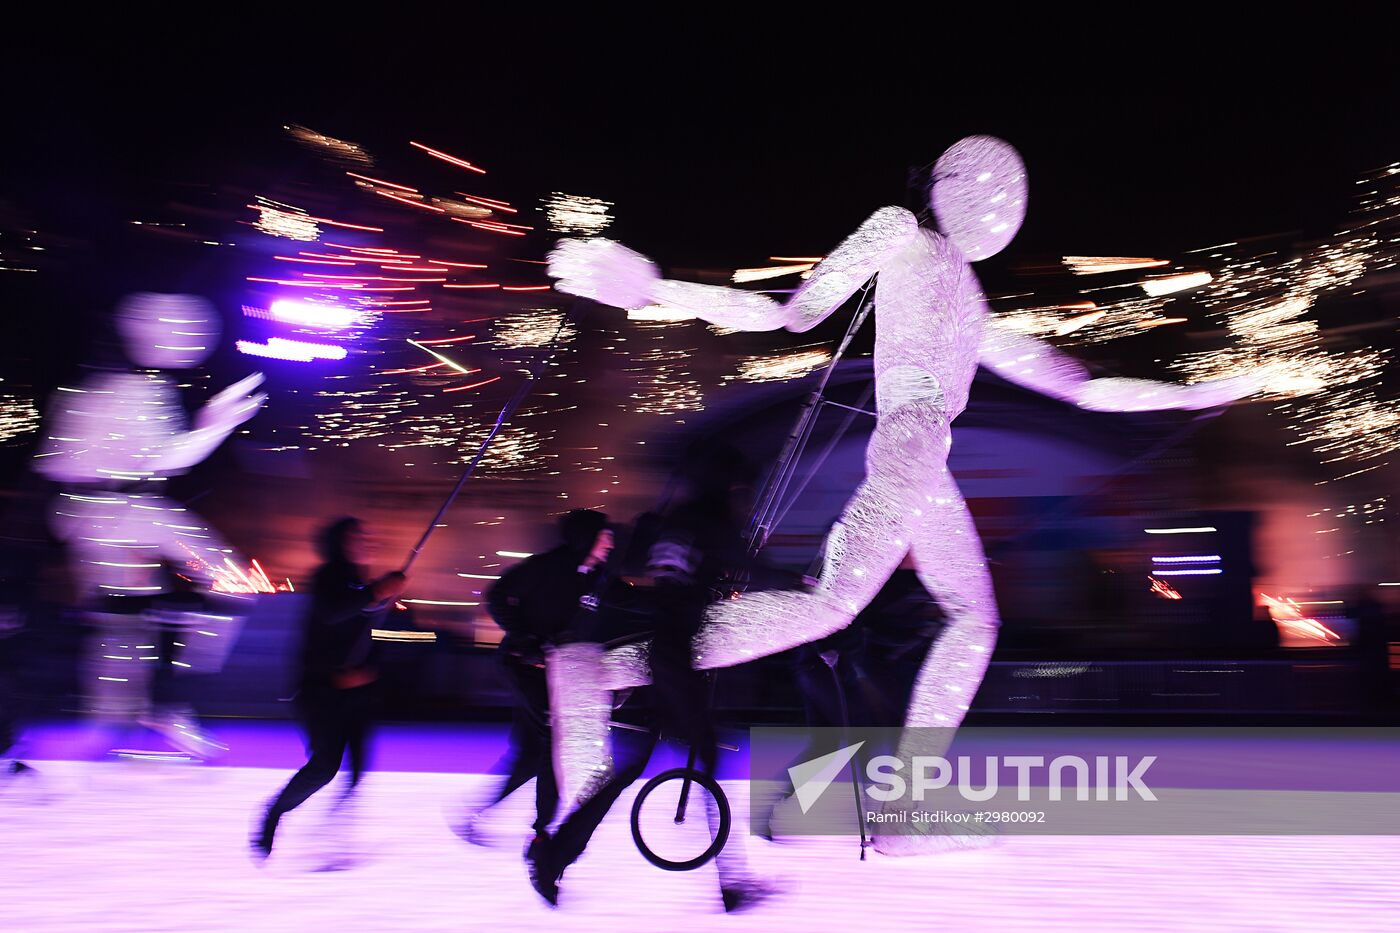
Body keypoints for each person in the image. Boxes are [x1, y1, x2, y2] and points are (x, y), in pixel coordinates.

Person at [529, 445, 771, 912]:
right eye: (739, 486)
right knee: (705, 755)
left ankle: (555, 856)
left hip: (657, 652)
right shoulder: (714, 522)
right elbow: (754, 568)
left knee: (635, 765)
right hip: (676, 657)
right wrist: (799, 582)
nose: (742, 494)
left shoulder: (675, 520)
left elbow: (638, 566)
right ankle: (730, 881)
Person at [457, 509, 617, 855]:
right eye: (605, 535)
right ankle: (542, 832)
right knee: (553, 740)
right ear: (586, 538)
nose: (611, 542)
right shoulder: (545, 567)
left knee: (530, 755)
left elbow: (629, 601)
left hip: (551, 671)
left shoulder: (597, 577)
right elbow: (497, 595)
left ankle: (475, 814)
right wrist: (526, 639)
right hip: (521, 665)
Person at [252, 517, 407, 861]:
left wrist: (368, 671)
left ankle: (332, 834)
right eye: (357, 536)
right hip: (318, 689)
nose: (366, 541)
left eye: (366, 535)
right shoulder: (328, 578)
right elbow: (333, 612)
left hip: (355, 693)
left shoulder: (358, 583)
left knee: (357, 770)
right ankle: (273, 815)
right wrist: (376, 592)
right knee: (325, 765)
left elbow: (371, 634)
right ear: (339, 542)